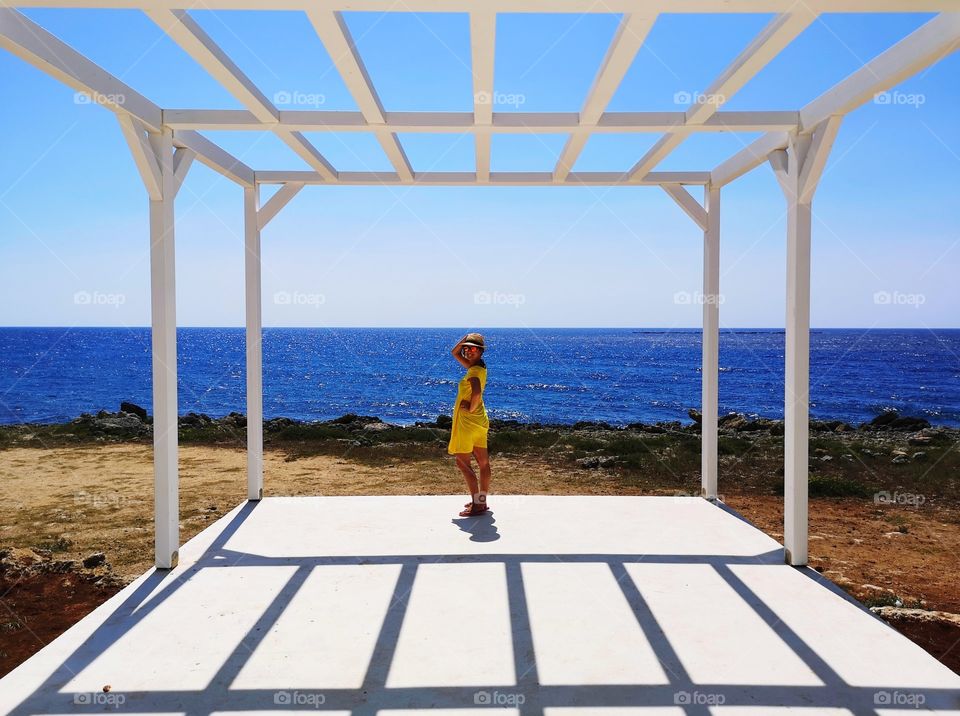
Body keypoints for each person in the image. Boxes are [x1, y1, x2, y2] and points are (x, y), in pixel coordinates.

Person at [448, 332, 491, 517]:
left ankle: (477, 505)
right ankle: (481, 501)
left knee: (463, 463)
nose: (467, 351)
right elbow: (454, 353)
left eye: (473, 348)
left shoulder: (473, 372)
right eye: (467, 348)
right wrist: (466, 339)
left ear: (481, 351)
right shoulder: (479, 367)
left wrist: (470, 408)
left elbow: (477, 392)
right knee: (483, 462)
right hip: (480, 421)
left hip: (467, 422)